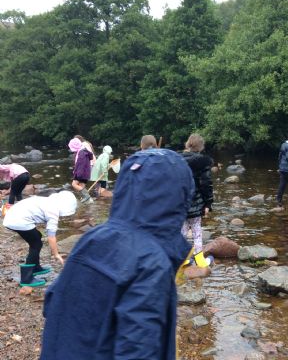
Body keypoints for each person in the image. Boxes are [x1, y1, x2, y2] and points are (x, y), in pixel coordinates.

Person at [40, 149, 194, 360]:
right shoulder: (152, 262)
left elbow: (53, 300)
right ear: (179, 199)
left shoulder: (92, 238)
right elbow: (139, 349)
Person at [3, 191, 77, 287]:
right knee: (36, 244)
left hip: (12, 216)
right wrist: (56, 254)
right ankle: (26, 279)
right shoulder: (53, 212)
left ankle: (36, 267)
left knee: (37, 237)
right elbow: (51, 236)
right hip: (18, 221)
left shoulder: (47, 202)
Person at [181, 134, 214, 268]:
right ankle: (199, 260)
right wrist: (208, 203)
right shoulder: (203, 162)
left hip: (180, 202)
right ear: (201, 147)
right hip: (196, 201)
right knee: (196, 230)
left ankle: (182, 258)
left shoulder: (176, 160)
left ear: (187, 144)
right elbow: (206, 184)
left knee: (182, 230)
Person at [68, 138, 93, 203]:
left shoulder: (81, 153)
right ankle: (88, 202)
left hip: (81, 173)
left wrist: (78, 174)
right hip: (86, 173)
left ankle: (87, 197)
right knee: (81, 187)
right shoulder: (84, 151)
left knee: (74, 184)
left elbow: (81, 165)